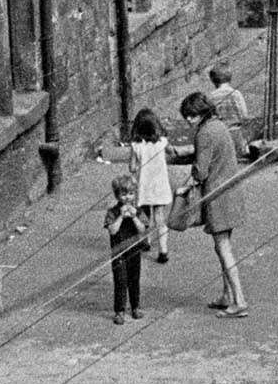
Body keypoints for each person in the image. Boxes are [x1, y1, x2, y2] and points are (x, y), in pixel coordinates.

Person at [187, 91, 248, 317]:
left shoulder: (203, 133)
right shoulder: (220, 126)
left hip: (217, 195)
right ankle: (226, 295)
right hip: (231, 191)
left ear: (201, 113)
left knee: (223, 249)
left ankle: (239, 300)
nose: (188, 120)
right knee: (222, 245)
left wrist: (188, 181)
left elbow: (201, 171)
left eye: (191, 116)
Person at [93, 111, 176, 264]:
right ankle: (163, 250)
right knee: (160, 217)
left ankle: (146, 242)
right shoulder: (162, 141)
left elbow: (132, 167)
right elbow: (172, 153)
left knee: (145, 216)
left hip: (144, 186)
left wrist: (138, 164)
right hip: (160, 185)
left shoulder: (136, 145)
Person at [101, 172, 150, 324]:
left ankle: (135, 307)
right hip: (118, 253)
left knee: (134, 279)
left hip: (134, 251)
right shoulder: (112, 212)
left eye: (130, 194)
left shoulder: (139, 211)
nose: (127, 197)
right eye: (123, 194)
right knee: (120, 280)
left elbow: (143, 230)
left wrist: (134, 217)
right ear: (117, 196)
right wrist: (121, 217)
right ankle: (119, 310)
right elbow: (112, 230)